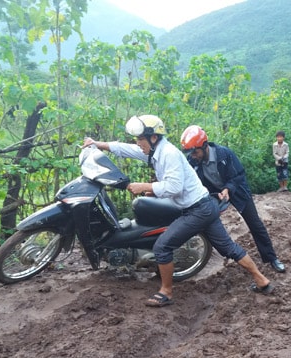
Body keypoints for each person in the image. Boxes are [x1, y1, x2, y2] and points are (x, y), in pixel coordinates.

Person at [82, 115, 274, 307]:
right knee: (228, 248)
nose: (137, 143)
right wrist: (97, 144)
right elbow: (128, 149)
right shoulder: (154, 151)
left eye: (140, 139)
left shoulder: (169, 154)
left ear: (153, 138)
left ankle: (166, 292)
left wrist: (146, 187)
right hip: (205, 206)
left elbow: (174, 187)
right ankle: (262, 280)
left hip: (197, 210)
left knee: (162, 247)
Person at [180, 125, 287, 273]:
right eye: (190, 153)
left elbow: (238, 175)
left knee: (255, 224)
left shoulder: (224, 154)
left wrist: (228, 188)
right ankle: (205, 256)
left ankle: (271, 258)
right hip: (214, 194)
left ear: (204, 146)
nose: (193, 156)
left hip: (237, 190)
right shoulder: (192, 161)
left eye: (195, 152)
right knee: (205, 220)